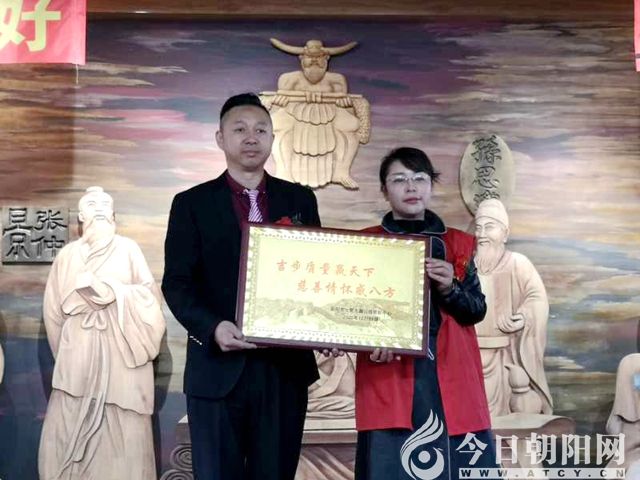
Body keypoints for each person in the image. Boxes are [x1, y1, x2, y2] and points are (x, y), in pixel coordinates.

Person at [161, 93, 321, 480]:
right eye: (240, 129)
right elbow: (177, 284)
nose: (251, 137)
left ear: (272, 138)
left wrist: (327, 325)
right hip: (217, 368)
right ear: (220, 138)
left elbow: (316, 272)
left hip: (283, 371)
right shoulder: (191, 203)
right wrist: (213, 327)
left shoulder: (300, 199)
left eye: (261, 130)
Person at [354, 147, 496, 479]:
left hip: (450, 367)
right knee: (390, 463)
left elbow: (476, 310)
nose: (411, 187)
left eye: (419, 178)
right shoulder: (365, 244)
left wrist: (450, 288)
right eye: (399, 180)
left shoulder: (458, 244)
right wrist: (367, 341)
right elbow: (351, 313)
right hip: (389, 371)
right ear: (384, 190)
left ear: (431, 185)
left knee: (459, 459)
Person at [39, 186, 166, 480]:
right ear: (81, 216)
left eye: (104, 204)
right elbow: (53, 314)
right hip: (79, 352)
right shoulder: (67, 255)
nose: (98, 208)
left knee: (123, 420)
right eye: (91, 204)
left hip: (122, 352)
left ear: (113, 215)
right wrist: (69, 353)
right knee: (70, 409)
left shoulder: (128, 249)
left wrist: (114, 294)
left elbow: (150, 296)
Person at [474, 199, 552, 416]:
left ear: (505, 233)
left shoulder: (517, 262)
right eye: (478, 228)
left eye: (489, 227)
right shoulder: (467, 265)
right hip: (470, 356)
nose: (482, 235)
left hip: (505, 358)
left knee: (511, 414)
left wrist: (524, 316)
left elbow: (537, 298)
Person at [264, 38, 370, 189]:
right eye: (310, 57)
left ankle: (341, 172)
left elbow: (342, 99)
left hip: (330, 112)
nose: (314, 61)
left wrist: (344, 104)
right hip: (294, 111)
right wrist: (280, 101)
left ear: (326, 58)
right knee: (279, 127)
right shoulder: (288, 78)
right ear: (302, 58)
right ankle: (284, 172)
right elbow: (282, 98)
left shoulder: (336, 79)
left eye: (318, 57)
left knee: (350, 127)